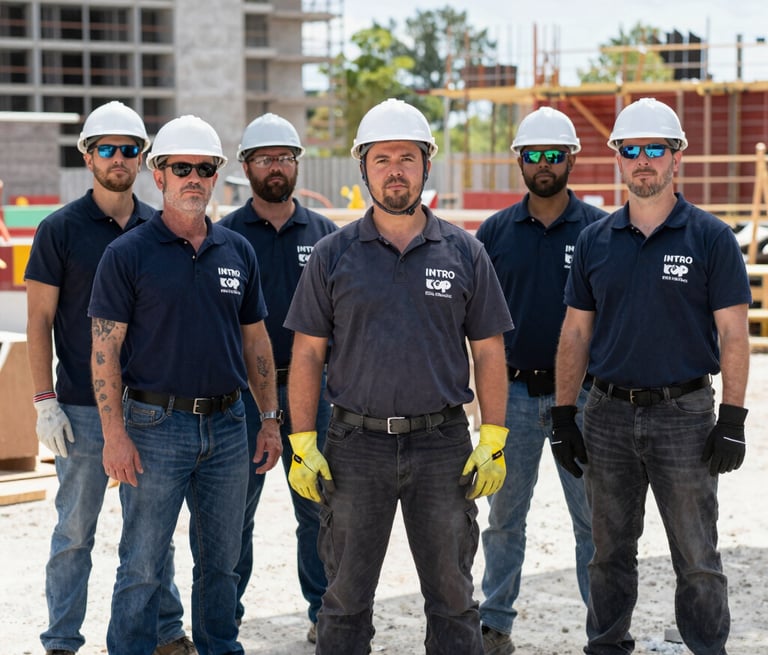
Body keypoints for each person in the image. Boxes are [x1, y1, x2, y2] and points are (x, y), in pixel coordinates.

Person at [283, 98, 514, 655]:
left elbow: (488, 352)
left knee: (455, 600)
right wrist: (302, 440)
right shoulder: (332, 255)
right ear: (363, 167)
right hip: (354, 446)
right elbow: (308, 354)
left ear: (425, 165)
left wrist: (494, 437)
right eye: (382, 158)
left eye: (407, 158)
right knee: (343, 603)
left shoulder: (465, 251)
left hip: (442, 446)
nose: (395, 170)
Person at [552, 97, 751, 655]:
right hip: (607, 414)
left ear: (676, 157)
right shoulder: (594, 240)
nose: (643, 160)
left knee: (696, 555)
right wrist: (564, 415)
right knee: (608, 551)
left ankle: (707, 647)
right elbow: (574, 334)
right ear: (618, 159)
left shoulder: (711, 239)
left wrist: (733, 418)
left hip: (684, 416)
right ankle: (608, 645)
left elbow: (735, 335)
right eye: (631, 150)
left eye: (654, 149)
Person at [88, 114, 282, 655]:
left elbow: (257, 344)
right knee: (144, 562)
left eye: (204, 168)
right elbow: (104, 351)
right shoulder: (126, 255)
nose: (193, 177)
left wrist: (269, 419)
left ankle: (220, 647)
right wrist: (113, 433)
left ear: (217, 175)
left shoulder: (237, 252)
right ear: (159, 174)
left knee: (222, 562)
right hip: (153, 426)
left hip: (229, 426)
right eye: (181, 168)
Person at [25, 101, 194, 655]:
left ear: (144, 159)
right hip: (78, 408)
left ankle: (166, 632)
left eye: (129, 149)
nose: (118, 158)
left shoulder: (160, 227)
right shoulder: (60, 229)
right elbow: (39, 320)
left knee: (152, 534)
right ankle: (61, 641)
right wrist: (43, 401)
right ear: (87, 156)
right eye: (107, 148)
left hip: (151, 410)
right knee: (74, 533)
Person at [475, 106, 606, 655]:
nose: (544, 164)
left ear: (572, 157)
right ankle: (495, 624)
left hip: (581, 402)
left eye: (555, 154)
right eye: (534, 155)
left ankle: (605, 629)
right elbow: (472, 322)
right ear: (520, 162)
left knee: (595, 523)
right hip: (513, 397)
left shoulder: (602, 229)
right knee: (504, 519)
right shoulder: (494, 234)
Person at [218, 113, 338, 641]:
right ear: (246, 167)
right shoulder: (221, 237)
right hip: (243, 397)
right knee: (233, 515)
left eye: (284, 157)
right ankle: (227, 617)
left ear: (296, 165)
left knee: (318, 510)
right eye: (265, 158)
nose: (275, 167)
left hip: (315, 392)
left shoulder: (327, 236)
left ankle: (325, 613)